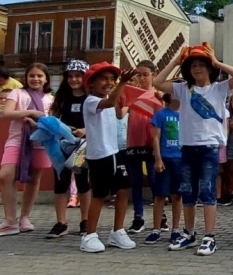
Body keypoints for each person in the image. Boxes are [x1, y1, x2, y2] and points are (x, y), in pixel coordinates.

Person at [153, 43, 233, 257]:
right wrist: (176, 61)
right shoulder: (183, 88)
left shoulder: (219, 88)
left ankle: (209, 236)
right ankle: (190, 232)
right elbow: (157, 82)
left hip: (209, 147)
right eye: (193, 65)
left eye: (202, 65)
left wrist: (217, 61)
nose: (197, 69)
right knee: (188, 192)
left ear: (210, 68)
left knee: (207, 191)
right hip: (187, 147)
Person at [0, 63, 54, 237]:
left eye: (40, 76)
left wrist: (37, 120)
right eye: (32, 75)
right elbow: (7, 113)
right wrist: (32, 111)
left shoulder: (50, 98)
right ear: (26, 78)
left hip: (40, 142)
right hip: (16, 140)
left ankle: (24, 217)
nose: (35, 79)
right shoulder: (17, 93)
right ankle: (9, 220)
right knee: (5, 175)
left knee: (33, 179)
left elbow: (52, 121)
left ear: (46, 79)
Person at [79, 62, 137, 253]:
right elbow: (110, 103)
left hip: (115, 152)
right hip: (99, 155)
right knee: (99, 195)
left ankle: (118, 231)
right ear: (91, 83)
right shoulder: (91, 101)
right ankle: (89, 235)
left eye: (112, 79)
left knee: (123, 190)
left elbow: (119, 113)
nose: (109, 82)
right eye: (104, 79)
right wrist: (122, 84)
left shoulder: (109, 98)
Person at [47, 59, 92, 238]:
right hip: (62, 145)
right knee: (60, 183)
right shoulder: (62, 97)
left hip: (83, 146)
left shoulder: (91, 97)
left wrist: (86, 130)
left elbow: (99, 120)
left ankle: (85, 220)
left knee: (82, 182)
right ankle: (61, 222)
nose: (74, 80)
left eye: (78, 76)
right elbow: (53, 117)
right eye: (70, 76)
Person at [121, 60, 164, 235]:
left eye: (145, 74)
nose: (142, 78)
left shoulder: (160, 95)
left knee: (155, 180)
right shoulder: (131, 93)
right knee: (136, 181)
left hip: (152, 141)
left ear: (154, 74)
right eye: (138, 74)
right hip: (134, 140)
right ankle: (138, 217)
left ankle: (160, 216)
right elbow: (120, 113)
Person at [147, 94, 185, 249]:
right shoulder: (161, 114)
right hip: (165, 158)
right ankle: (156, 229)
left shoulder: (187, 115)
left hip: (181, 159)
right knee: (160, 195)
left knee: (177, 195)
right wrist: (158, 158)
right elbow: (155, 138)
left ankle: (176, 229)